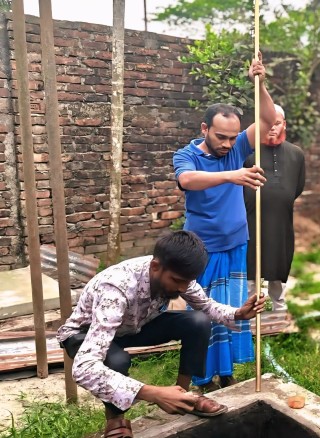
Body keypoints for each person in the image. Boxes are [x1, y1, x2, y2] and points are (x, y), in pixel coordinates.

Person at [57, 231, 267, 438]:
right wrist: (155, 394)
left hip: (134, 326)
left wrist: (238, 314)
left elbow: (206, 306)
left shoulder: (177, 273)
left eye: (187, 282)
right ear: (155, 267)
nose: (183, 288)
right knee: (117, 360)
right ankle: (116, 419)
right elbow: (84, 368)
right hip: (86, 334)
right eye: (177, 281)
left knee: (198, 322)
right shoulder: (115, 288)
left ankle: (182, 396)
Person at [172, 52, 276, 391]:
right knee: (204, 313)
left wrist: (260, 84)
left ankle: (227, 371)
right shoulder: (186, 155)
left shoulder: (236, 147)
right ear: (205, 129)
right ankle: (202, 377)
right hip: (203, 250)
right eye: (221, 137)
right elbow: (188, 180)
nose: (228, 144)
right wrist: (233, 175)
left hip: (236, 243)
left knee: (232, 308)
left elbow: (268, 119)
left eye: (233, 138)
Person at [243, 104, 306, 313]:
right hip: (251, 220)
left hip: (281, 220)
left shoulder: (296, 154)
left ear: (284, 124)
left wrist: (280, 198)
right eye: (267, 123)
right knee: (251, 265)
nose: (272, 127)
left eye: (276, 123)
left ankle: (278, 306)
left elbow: (297, 187)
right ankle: (249, 310)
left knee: (279, 262)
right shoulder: (249, 152)